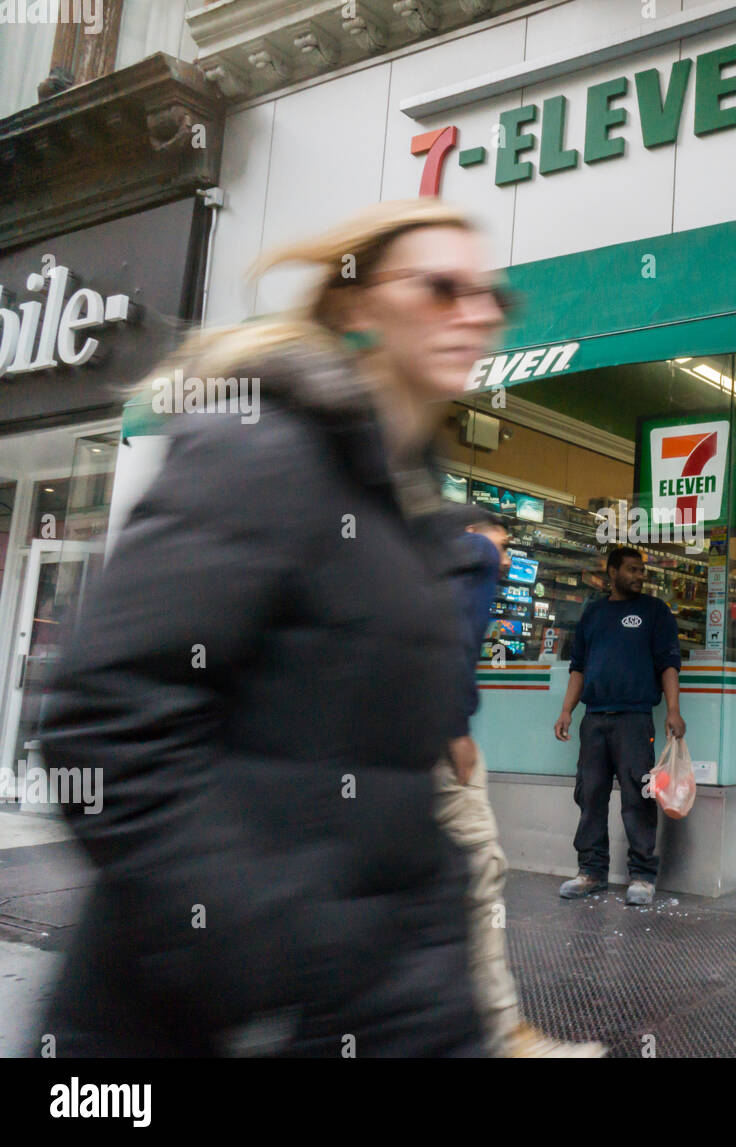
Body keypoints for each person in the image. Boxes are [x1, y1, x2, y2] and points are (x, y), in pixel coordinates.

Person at [35, 199, 510, 1056]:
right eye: (442, 287)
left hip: (380, 1004)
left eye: (492, 298)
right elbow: (103, 721)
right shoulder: (264, 451)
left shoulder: (412, 511)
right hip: (197, 1020)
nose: (474, 314)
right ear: (360, 303)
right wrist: (250, 969)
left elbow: (390, 786)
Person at [430, 511, 604, 1057]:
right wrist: (454, 725)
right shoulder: (474, 554)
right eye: (506, 544)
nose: (508, 560)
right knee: (480, 870)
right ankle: (504, 1034)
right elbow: (448, 634)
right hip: (431, 739)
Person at [553, 546, 685, 906]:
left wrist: (673, 710)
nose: (639, 576)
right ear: (611, 572)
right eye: (631, 569)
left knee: (637, 797)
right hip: (594, 718)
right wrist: (567, 710)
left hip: (634, 718)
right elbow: (578, 667)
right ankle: (591, 872)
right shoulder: (593, 614)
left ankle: (642, 876)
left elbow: (668, 664)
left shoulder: (655, 612)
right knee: (590, 795)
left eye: (641, 570)